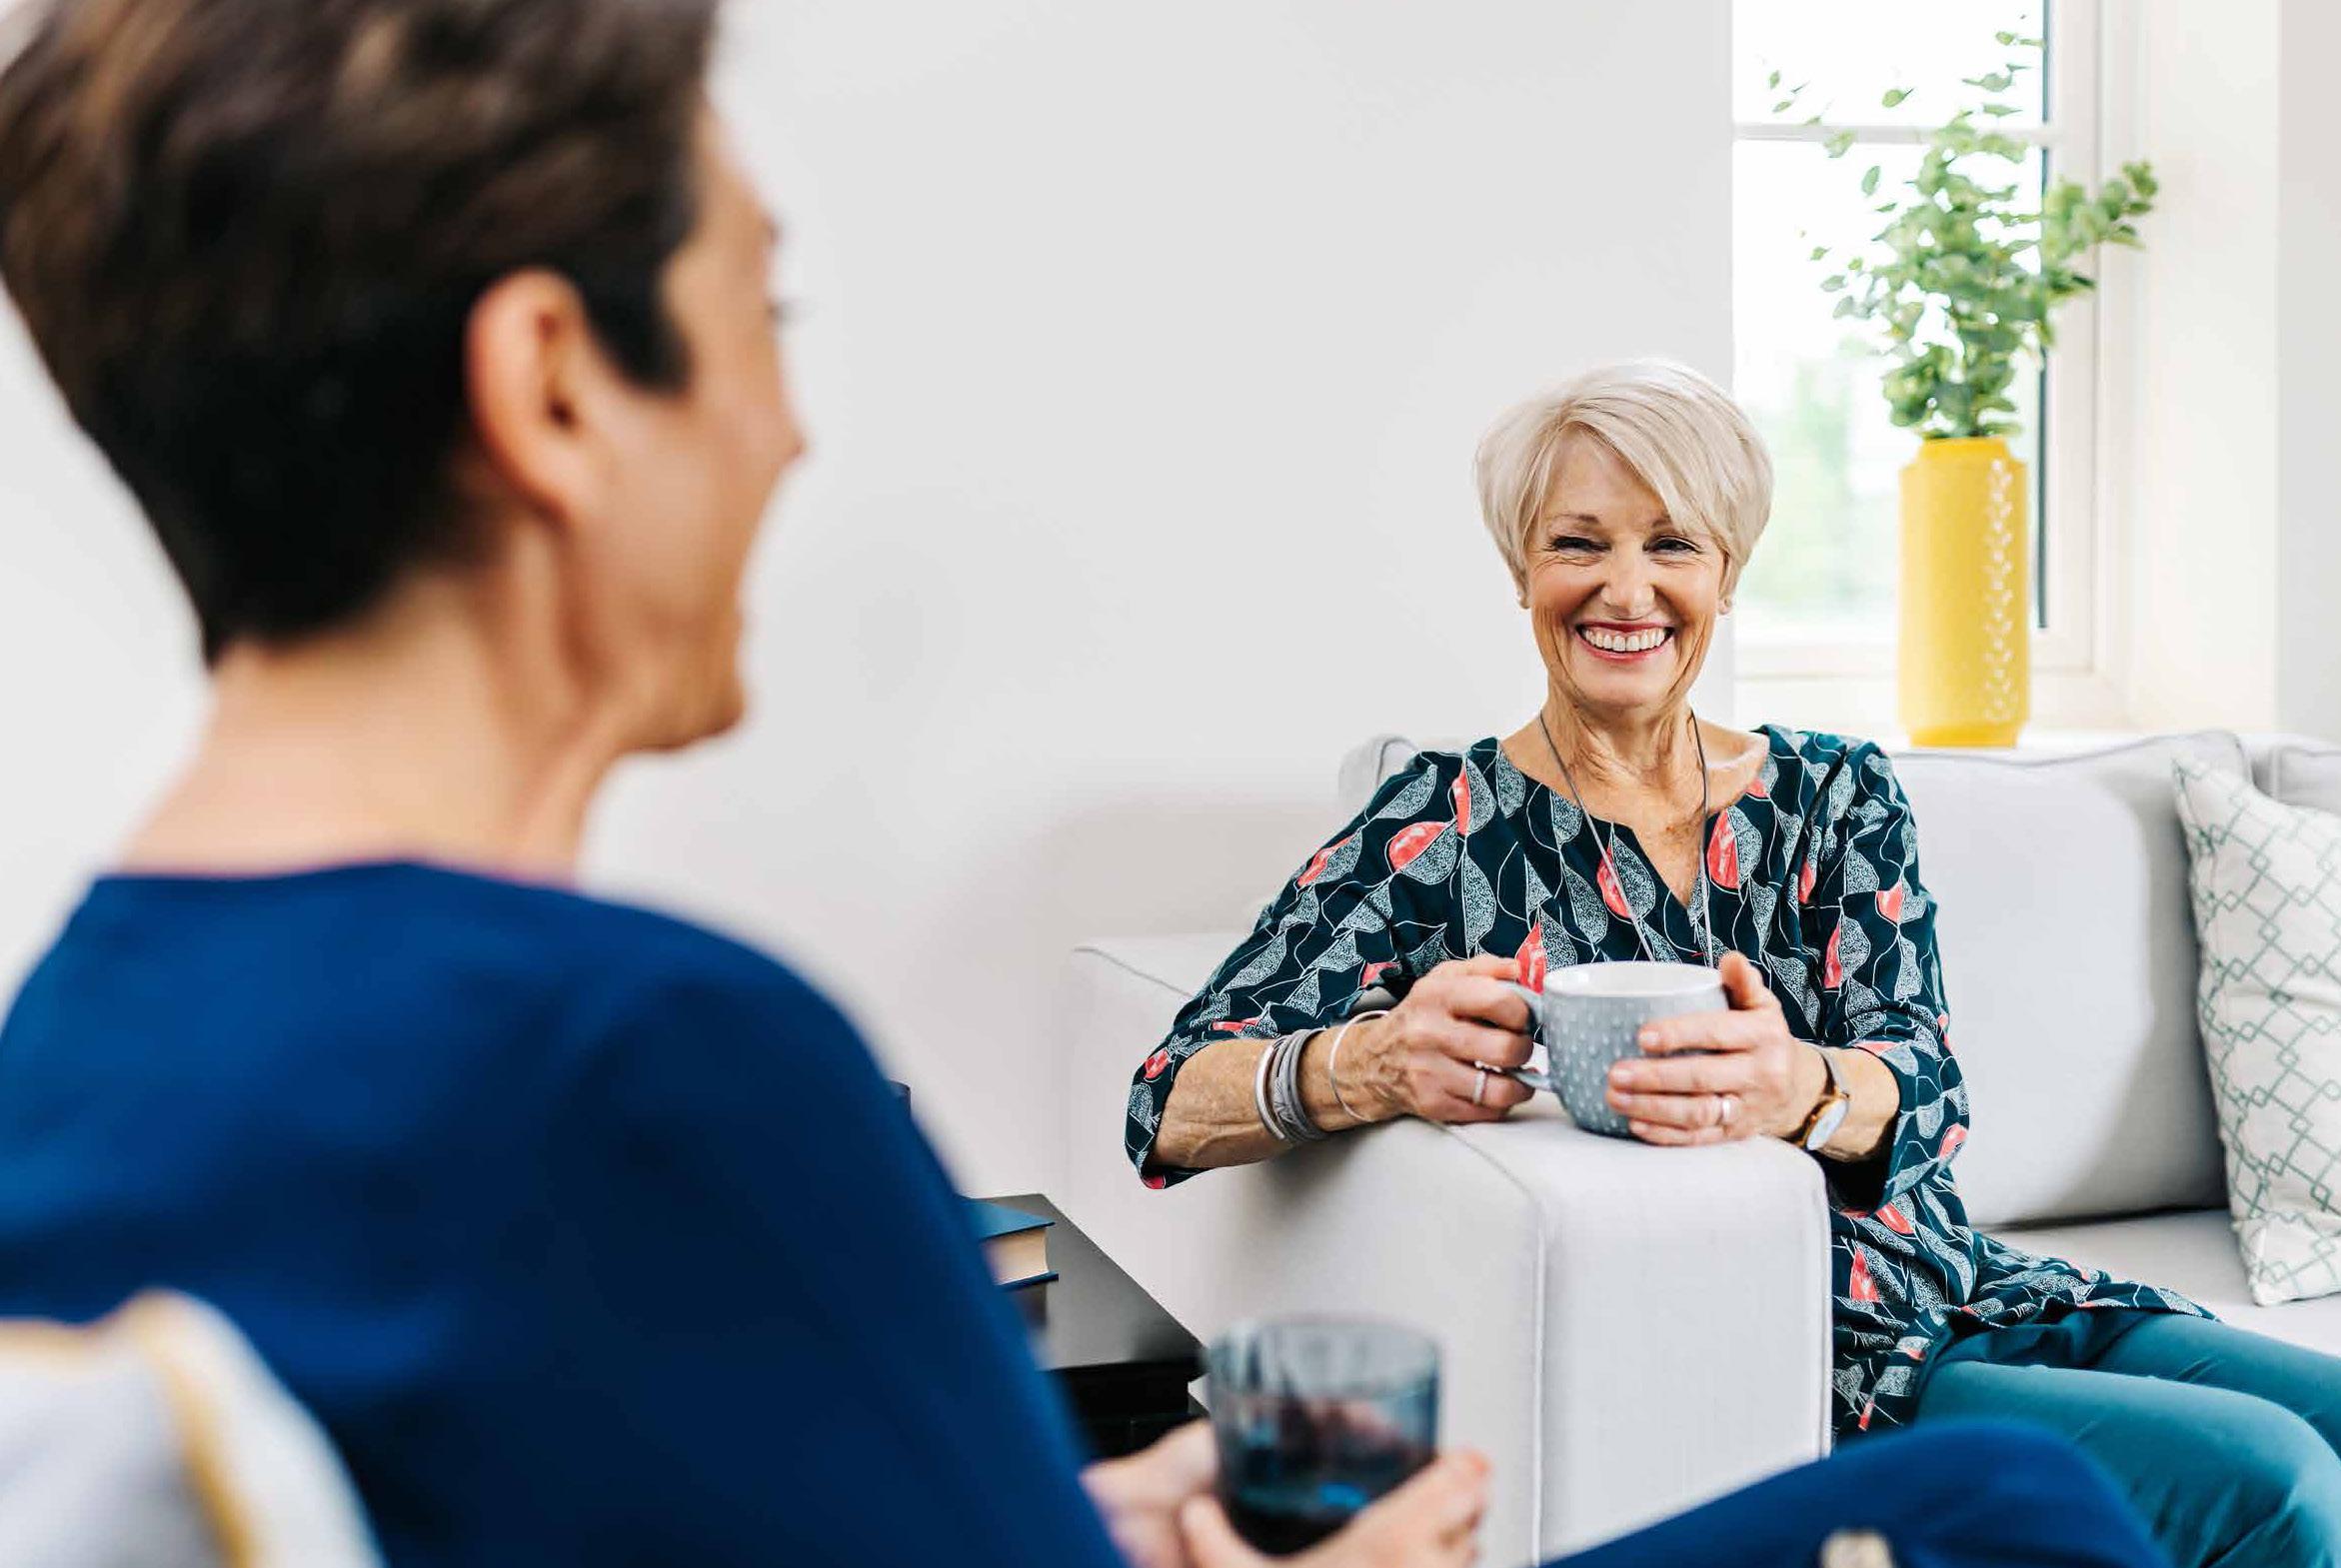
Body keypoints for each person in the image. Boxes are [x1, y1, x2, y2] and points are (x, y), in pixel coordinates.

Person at [1128, 357, 2341, 1568]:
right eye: (1576, 543)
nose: (1625, 589)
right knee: (2270, 1484)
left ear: (1727, 572)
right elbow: (1165, 1099)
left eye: (1671, 544)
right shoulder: (1435, 826)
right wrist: (1374, 1063)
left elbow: (1925, 1091)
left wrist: (1799, 1088)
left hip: (1971, 1288)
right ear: (1518, 569)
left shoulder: (1835, 793)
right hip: (1814, 1361)